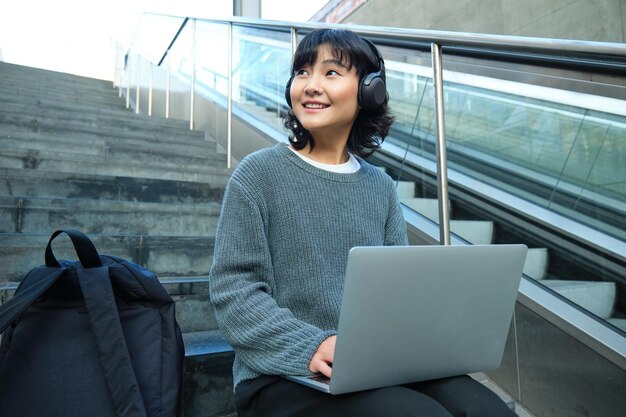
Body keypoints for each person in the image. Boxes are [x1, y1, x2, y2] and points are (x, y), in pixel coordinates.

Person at [209, 28, 518, 417]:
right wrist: (312, 345)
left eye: (331, 73)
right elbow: (234, 291)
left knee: (488, 411)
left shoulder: (381, 187)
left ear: (369, 91)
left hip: (375, 364)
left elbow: (398, 295)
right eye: (302, 72)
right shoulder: (258, 175)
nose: (311, 86)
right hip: (282, 374)